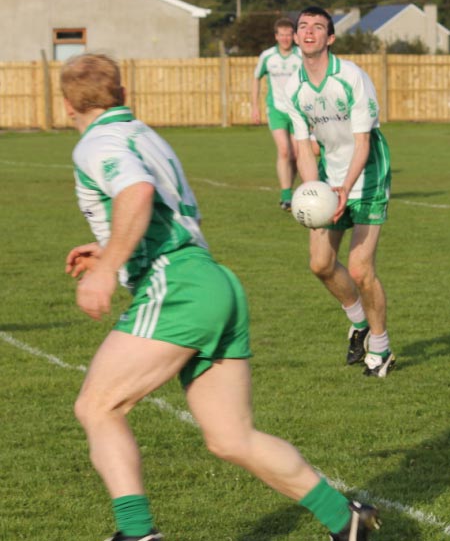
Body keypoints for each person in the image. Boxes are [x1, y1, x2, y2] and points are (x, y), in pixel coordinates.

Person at [62, 53, 381, 541]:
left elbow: (137, 193)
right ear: (122, 94)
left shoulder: (97, 142)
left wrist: (107, 268)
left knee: (97, 407)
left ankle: (137, 533)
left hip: (178, 285)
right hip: (213, 281)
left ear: (67, 105)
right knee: (232, 438)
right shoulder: (143, 133)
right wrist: (110, 250)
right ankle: (346, 519)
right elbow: (163, 207)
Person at [285, 6, 395, 378]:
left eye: (318, 27)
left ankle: (380, 349)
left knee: (362, 269)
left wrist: (345, 189)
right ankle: (359, 322)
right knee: (320, 263)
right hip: (331, 177)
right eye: (303, 27)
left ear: (330, 38)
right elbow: (302, 147)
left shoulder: (351, 77)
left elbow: (363, 142)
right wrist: (314, 191)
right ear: (296, 37)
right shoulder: (293, 87)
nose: (310, 32)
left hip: (367, 175)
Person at [252, 18, 303, 211]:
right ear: (276, 36)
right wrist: (255, 107)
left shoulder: (300, 55)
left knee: (297, 154)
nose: (285, 38)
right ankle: (286, 196)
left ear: (294, 36)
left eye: (288, 34)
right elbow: (256, 78)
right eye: (281, 34)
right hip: (276, 109)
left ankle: (293, 190)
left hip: (298, 111)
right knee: (284, 150)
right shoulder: (268, 56)